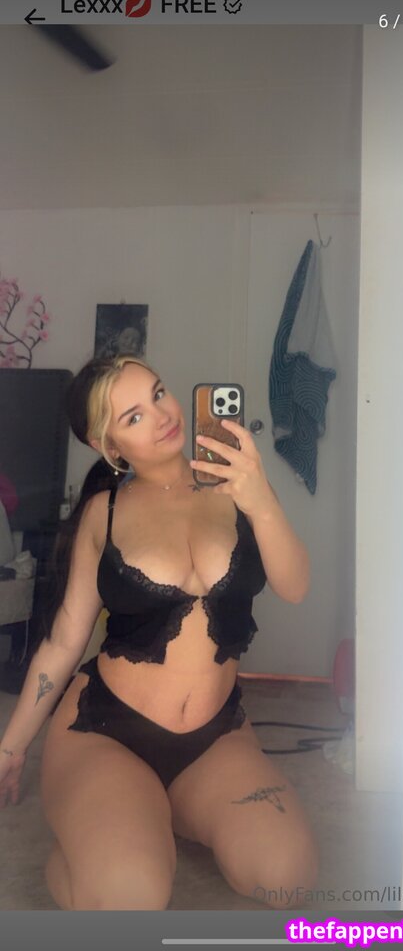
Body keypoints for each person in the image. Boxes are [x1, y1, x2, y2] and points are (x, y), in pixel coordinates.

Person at [0, 354, 319, 911]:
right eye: (133, 416)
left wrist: (261, 498)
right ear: (109, 445)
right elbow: (65, 640)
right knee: (130, 897)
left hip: (215, 736)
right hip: (106, 731)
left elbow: (295, 587)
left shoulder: (238, 488)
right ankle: (103, 833)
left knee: (287, 877)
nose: (163, 414)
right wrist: (11, 746)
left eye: (158, 393)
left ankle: (148, 813)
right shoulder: (103, 512)